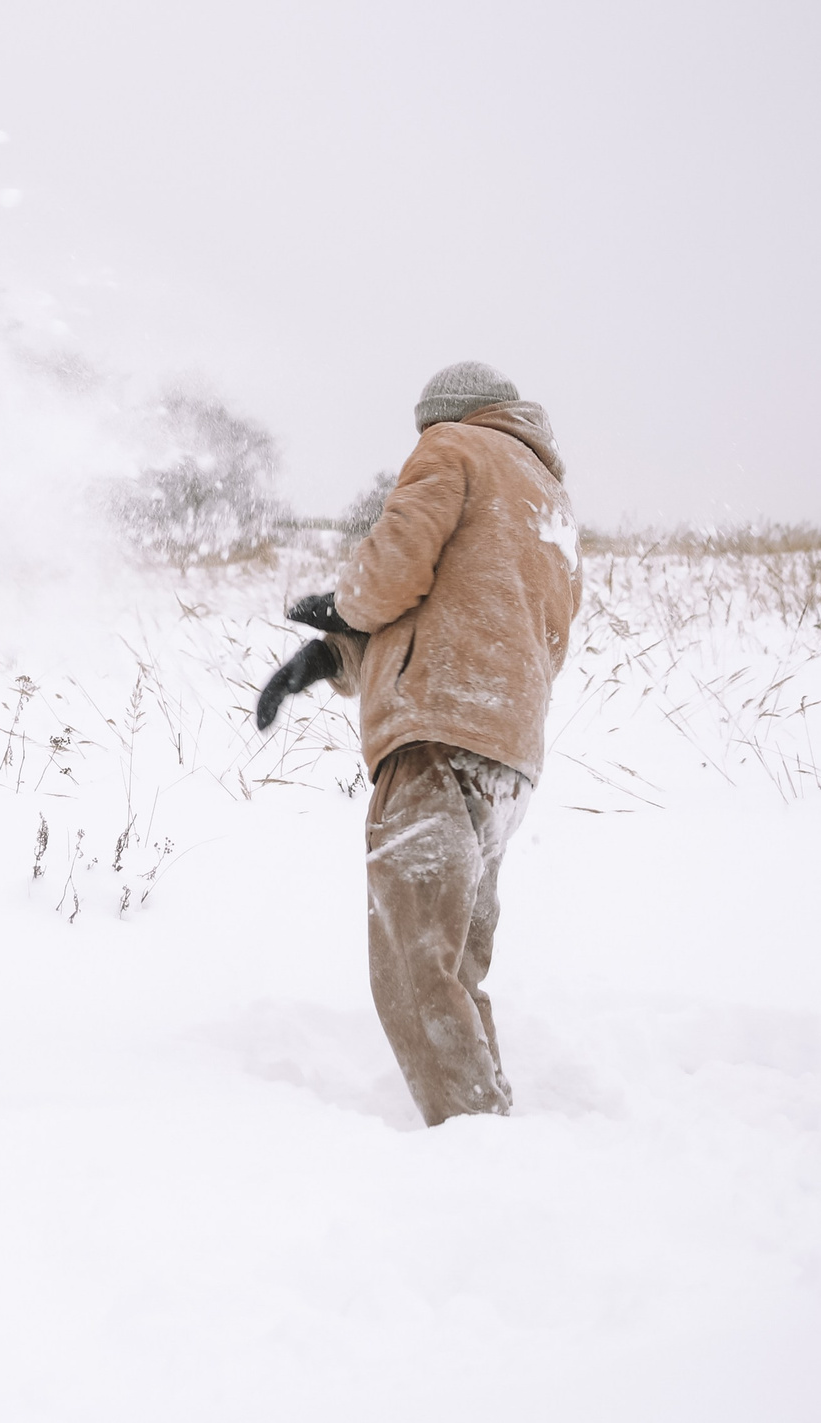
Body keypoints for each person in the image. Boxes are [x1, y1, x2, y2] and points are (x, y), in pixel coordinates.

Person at [256, 362, 580, 1126]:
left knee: (415, 968)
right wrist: (331, 659)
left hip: (435, 739)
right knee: (455, 963)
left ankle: (472, 1135)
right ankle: (489, 1123)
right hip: (505, 754)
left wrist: (344, 604)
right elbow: (469, 612)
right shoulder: (549, 501)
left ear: (443, 416)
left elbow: (395, 569)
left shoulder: (453, 447)